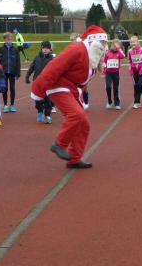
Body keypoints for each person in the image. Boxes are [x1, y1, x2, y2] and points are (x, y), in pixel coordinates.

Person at [31, 25, 108, 169]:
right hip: (58, 85)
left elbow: (81, 79)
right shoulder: (76, 49)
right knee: (76, 115)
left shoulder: (93, 55)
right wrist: (38, 89)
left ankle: (74, 158)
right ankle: (59, 145)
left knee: (83, 124)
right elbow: (54, 67)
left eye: (105, 43)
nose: (104, 46)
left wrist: (79, 96)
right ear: (94, 41)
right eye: (102, 43)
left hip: (71, 88)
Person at [25, 41, 56, 124]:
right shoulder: (37, 57)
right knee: (37, 99)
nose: (45, 50)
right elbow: (32, 68)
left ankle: (47, 115)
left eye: (47, 48)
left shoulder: (52, 59)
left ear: (50, 49)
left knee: (47, 99)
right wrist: (27, 76)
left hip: (47, 83)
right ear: (41, 49)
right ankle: (40, 111)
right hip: (37, 82)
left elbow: (56, 71)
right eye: (43, 48)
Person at [0, 32, 22, 112]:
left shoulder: (15, 50)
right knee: (4, 88)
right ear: (4, 40)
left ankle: (12, 105)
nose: (9, 41)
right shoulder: (1, 49)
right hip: (3, 72)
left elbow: (18, 62)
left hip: (12, 72)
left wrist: (18, 73)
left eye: (11, 39)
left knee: (12, 88)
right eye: (7, 40)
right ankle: (5, 105)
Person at [127, 34, 142, 108]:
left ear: (138, 42)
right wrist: (130, 69)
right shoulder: (129, 51)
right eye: (131, 42)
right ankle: (137, 102)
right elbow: (129, 61)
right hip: (134, 71)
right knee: (136, 86)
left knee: (140, 84)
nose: (132, 43)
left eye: (134, 42)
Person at [103, 39, 126, 110]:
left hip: (116, 73)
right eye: (114, 45)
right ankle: (109, 101)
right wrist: (104, 71)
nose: (115, 47)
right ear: (111, 45)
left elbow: (123, 56)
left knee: (116, 88)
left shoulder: (119, 53)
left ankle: (117, 103)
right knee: (108, 87)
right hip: (108, 73)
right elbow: (104, 62)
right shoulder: (107, 53)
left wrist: (119, 49)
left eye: (117, 46)